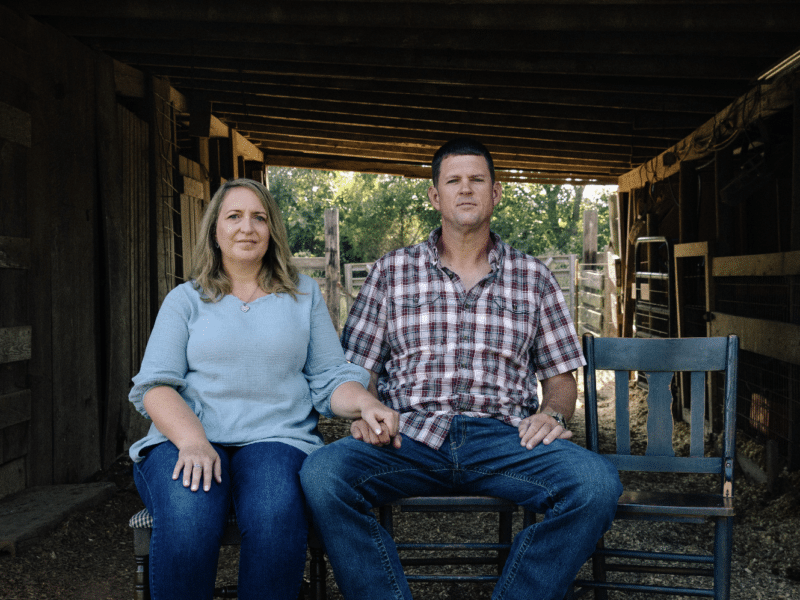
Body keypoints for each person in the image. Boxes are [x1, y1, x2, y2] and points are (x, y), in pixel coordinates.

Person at [300, 138, 623, 600]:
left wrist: (551, 416)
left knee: (596, 484)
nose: (465, 189)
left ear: (496, 193)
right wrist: (366, 412)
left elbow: (560, 379)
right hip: (407, 437)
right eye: (453, 181)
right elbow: (359, 367)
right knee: (321, 474)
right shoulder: (392, 272)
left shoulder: (533, 277)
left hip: (504, 439)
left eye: (477, 180)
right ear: (435, 196)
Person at [128, 178, 396, 600]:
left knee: (275, 514)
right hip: (187, 438)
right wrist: (194, 440)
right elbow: (155, 386)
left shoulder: (302, 294)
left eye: (259, 217)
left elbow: (329, 377)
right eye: (233, 216)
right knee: (191, 514)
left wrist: (364, 403)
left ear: (272, 230)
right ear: (215, 230)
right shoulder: (186, 300)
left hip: (276, 437)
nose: (246, 227)